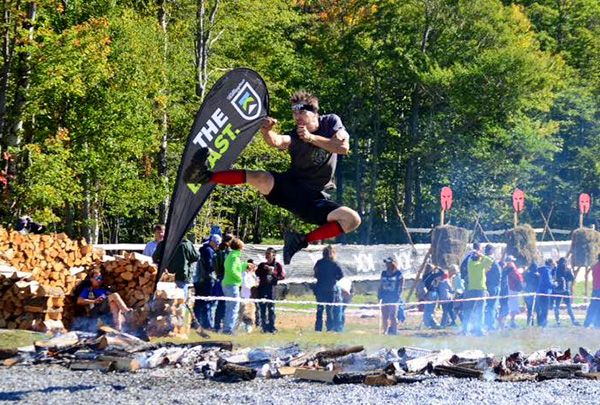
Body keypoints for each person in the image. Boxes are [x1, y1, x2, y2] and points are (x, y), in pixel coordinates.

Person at [182, 91, 361, 264]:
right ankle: (204, 176)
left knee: (352, 219)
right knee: (260, 177)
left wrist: (311, 138)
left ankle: (300, 240)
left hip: (314, 198)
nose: (297, 116)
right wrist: (267, 131)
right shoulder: (295, 135)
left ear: (315, 112)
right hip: (291, 187)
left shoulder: (330, 122)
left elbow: (342, 147)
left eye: (301, 111)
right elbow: (277, 141)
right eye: (294, 112)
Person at [222, 237, 256, 334]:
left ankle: (228, 328)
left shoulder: (231, 256)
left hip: (228, 283)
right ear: (240, 248)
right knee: (233, 308)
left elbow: (236, 268)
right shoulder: (234, 257)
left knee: (230, 307)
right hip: (232, 284)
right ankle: (229, 330)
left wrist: (245, 265)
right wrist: (240, 279)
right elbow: (233, 271)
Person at [313, 245, 344, 332]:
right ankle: (329, 328)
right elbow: (341, 275)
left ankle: (318, 328)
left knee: (319, 309)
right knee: (329, 309)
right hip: (330, 289)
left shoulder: (319, 263)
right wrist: (333, 279)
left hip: (320, 288)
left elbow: (315, 274)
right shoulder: (335, 264)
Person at [194, 234, 222, 330]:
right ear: (213, 242)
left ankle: (196, 323)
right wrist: (216, 268)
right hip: (207, 279)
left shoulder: (204, 250)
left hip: (201, 279)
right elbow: (209, 266)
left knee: (199, 303)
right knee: (206, 303)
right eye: (217, 244)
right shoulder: (209, 251)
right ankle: (207, 325)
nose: (218, 246)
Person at [463, 251, 493, 335]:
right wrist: (482, 255)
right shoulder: (480, 266)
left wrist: (473, 253)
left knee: (468, 310)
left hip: (471, 289)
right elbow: (490, 261)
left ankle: (465, 330)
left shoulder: (470, 265)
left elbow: (467, 258)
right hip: (481, 289)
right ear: (479, 259)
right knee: (480, 310)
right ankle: (479, 330)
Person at [256, 248, 285, 333]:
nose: (267, 255)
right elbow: (257, 273)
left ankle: (272, 327)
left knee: (271, 309)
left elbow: (282, 276)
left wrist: (273, 273)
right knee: (262, 308)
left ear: (273, 255)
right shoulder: (262, 264)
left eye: (269, 254)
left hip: (271, 289)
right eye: (266, 254)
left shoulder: (277, 265)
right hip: (262, 288)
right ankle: (264, 327)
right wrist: (263, 269)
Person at [377, 257, 404, 335]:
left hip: (394, 296)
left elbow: (401, 284)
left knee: (392, 315)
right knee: (384, 314)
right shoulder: (383, 273)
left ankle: (395, 331)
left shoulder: (398, 273)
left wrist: (399, 294)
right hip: (385, 296)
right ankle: (385, 331)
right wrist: (379, 295)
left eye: (389, 263)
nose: (387, 265)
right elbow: (381, 284)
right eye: (386, 263)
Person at [212, 234, 233, 332]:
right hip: (226, 279)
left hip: (219, 278)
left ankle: (217, 325)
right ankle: (222, 325)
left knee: (221, 303)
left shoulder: (218, 251)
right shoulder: (228, 253)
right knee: (225, 303)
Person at [552, 257, 579, 326]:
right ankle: (573, 320)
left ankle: (558, 321)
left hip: (558, 290)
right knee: (568, 306)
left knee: (557, 306)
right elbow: (572, 278)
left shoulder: (557, 270)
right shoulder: (567, 269)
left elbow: (554, 278)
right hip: (566, 290)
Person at [484, 245, 501, 331]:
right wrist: (498, 283)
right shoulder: (492, 260)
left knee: (484, 306)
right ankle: (491, 324)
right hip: (493, 285)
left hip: (485, 285)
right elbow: (498, 273)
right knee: (492, 305)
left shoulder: (482, 260)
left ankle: (485, 323)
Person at [238, 259, 258, 333]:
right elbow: (245, 284)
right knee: (243, 312)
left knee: (251, 313)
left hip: (251, 297)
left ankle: (249, 326)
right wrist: (253, 285)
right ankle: (240, 327)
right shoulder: (244, 274)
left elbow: (256, 281)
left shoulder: (252, 274)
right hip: (245, 296)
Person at [505, 256, 524, 328]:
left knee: (511, 306)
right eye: (512, 261)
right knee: (512, 306)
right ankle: (510, 322)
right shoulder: (511, 268)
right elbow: (517, 276)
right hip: (512, 289)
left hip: (511, 288)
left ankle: (510, 322)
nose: (513, 262)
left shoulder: (508, 268)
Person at [536, 258, 555, 327]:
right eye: (553, 264)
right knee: (545, 310)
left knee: (541, 309)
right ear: (550, 264)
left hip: (541, 292)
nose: (554, 266)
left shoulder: (543, 270)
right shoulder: (547, 271)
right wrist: (554, 284)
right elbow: (549, 282)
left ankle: (540, 323)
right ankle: (543, 324)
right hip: (545, 293)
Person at [584, 254, 600, 328]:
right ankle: (590, 323)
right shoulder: (598, 267)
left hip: (595, 289)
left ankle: (595, 323)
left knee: (594, 307)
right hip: (598, 289)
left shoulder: (595, 266)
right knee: (594, 307)